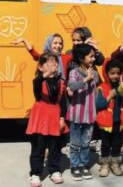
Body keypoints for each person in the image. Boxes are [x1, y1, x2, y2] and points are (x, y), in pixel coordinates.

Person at [26, 52, 67, 187]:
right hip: (40, 117)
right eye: (48, 63)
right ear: (40, 67)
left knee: (55, 147)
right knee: (38, 147)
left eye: (54, 62)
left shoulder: (61, 82)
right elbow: (36, 84)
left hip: (55, 117)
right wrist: (46, 74)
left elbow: (62, 102)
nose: (52, 65)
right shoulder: (39, 81)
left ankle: (54, 170)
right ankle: (35, 173)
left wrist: (62, 118)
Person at [67, 44, 99, 181]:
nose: (93, 59)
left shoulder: (95, 73)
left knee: (86, 143)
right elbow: (72, 86)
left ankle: (84, 165)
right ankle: (74, 166)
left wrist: (91, 76)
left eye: (93, 56)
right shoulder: (73, 72)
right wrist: (86, 78)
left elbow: (96, 83)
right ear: (81, 58)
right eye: (90, 56)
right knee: (75, 143)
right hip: (76, 114)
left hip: (89, 114)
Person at [96, 59, 123, 177]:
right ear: (106, 74)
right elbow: (99, 105)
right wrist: (110, 96)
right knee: (105, 144)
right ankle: (104, 164)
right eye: (112, 73)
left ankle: (115, 163)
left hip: (118, 122)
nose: (115, 76)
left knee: (116, 143)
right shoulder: (101, 87)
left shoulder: (121, 87)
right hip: (105, 123)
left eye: (118, 73)